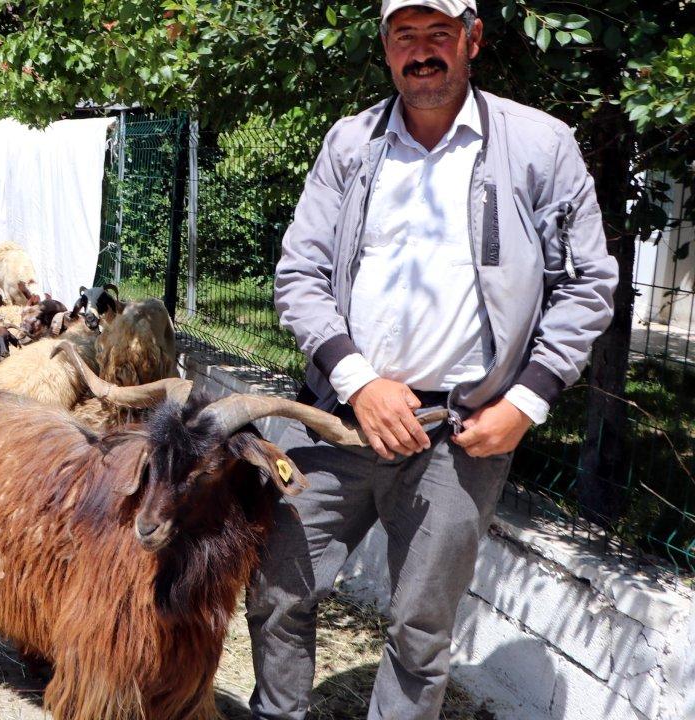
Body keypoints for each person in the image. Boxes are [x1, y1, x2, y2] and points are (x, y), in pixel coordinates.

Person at [247, 2, 618, 719]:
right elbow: (299, 275)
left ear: (472, 39)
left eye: (438, 34)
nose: (421, 52)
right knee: (276, 586)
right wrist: (358, 383)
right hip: (337, 417)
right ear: (385, 47)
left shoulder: (540, 146)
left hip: (460, 432)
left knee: (421, 631)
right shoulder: (351, 145)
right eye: (404, 35)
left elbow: (588, 284)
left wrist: (526, 402)